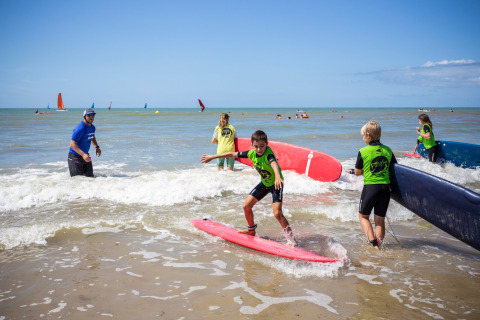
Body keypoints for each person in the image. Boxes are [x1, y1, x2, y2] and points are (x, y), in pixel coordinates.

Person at [201, 130, 296, 246]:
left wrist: (277, 176)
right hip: (265, 183)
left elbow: (274, 164)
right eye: (256, 146)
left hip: (276, 184)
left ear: (267, 144)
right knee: (246, 206)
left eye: (262, 146)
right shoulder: (251, 154)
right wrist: (213, 156)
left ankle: (291, 240)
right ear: (252, 145)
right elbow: (232, 154)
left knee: (277, 213)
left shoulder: (269, 154)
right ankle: (251, 230)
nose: (259, 149)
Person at [346, 121, 397, 249]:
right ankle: (379, 244)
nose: (363, 137)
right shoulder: (388, 150)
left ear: (368, 135)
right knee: (379, 220)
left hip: (371, 188)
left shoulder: (363, 151)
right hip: (385, 189)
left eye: (363, 135)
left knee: (363, 216)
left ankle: (373, 244)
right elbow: (394, 168)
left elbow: (357, 172)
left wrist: (354, 171)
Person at [68, 108, 101, 177]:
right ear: (84, 116)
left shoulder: (92, 127)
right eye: (89, 115)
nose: (91, 117)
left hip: (85, 156)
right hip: (75, 157)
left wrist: (97, 147)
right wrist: (83, 155)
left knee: (90, 179)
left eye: (93, 115)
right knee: (78, 180)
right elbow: (72, 144)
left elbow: (92, 136)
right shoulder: (80, 128)